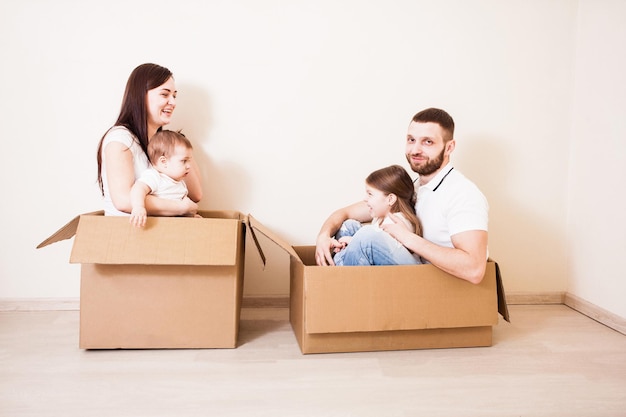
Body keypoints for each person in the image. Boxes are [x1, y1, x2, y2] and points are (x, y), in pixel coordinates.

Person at [315, 108, 489, 284]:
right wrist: (323, 236)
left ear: (449, 147)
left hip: (435, 282)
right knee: (349, 227)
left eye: (427, 142)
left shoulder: (462, 193)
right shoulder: (412, 188)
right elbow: (346, 213)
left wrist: (407, 238)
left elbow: (474, 269)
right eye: (411, 140)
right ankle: (339, 277)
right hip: (407, 268)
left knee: (367, 237)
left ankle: (335, 288)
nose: (415, 150)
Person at [97, 63, 202, 216]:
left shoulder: (164, 143)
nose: (173, 102)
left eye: (174, 96)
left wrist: (180, 147)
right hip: (127, 233)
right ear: (141, 96)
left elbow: (196, 194)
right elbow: (124, 200)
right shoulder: (120, 139)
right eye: (165, 94)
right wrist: (182, 207)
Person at [332, 164, 422, 266]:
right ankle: (342, 256)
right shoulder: (379, 217)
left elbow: (379, 246)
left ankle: (339, 264)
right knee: (349, 226)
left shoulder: (397, 221)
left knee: (366, 233)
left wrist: (351, 241)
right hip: (379, 261)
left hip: (405, 271)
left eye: (370, 194)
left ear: (390, 199)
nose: (365, 199)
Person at [129, 130, 196, 227]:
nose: (189, 166)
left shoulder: (180, 183)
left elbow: (184, 209)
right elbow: (138, 189)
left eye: (189, 161)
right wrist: (138, 207)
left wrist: (191, 216)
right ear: (164, 162)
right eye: (184, 161)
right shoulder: (155, 177)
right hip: (157, 227)